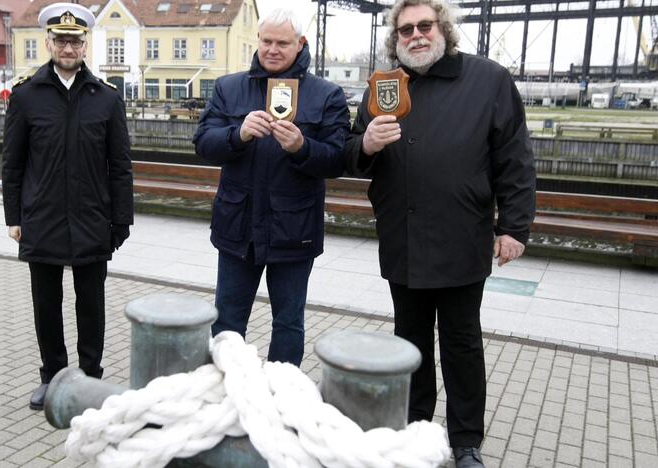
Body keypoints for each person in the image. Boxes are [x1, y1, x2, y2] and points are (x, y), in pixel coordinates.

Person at [344, 0, 535, 466]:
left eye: (424, 25)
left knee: (461, 343)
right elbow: (354, 153)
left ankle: (465, 439)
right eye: (405, 29)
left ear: (443, 29)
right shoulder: (385, 85)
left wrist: (513, 227)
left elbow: (515, 158)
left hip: (461, 236)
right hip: (402, 235)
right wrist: (366, 144)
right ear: (395, 39)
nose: (415, 35)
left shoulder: (488, 80)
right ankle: (414, 427)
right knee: (409, 340)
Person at [193, 8, 350, 366]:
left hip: (294, 230)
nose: (273, 49)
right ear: (258, 40)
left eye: (283, 43)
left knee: (288, 324)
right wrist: (238, 134)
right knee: (228, 322)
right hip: (238, 226)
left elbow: (339, 160)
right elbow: (203, 142)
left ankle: (282, 401)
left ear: (300, 44)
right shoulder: (228, 87)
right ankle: (228, 394)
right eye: (267, 41)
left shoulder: (327, 95)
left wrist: (302, 147)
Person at [1, 2, 133, 411]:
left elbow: (121, 167)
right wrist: (13, 217)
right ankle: (53, 377)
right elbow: (13, 162)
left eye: (75, 41)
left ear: (85, 45)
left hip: (93, 217)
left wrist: (121, 220)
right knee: (47, 304)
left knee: (90, 304)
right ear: (49, 43)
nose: (68, 47)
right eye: (61, 40)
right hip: (42, 217)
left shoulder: (107, 99)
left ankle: (91, 381)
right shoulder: (26, 96)